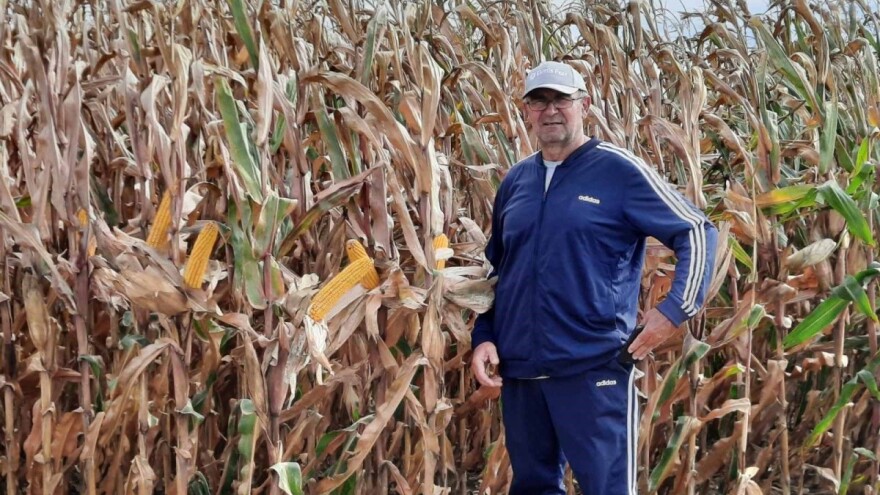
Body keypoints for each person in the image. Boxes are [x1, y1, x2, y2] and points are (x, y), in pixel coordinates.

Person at [470, 60, 718, 495]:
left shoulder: (618, 171)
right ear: (526, 111)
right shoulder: (517, 181)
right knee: (532, 486)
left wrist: (674, 310)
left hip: (593, 368)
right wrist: (484, 336)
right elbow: (497, 270)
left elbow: (696, 230)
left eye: (561, 100)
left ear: (583, 104)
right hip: (522, 373)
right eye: (539, 101)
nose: (550, 111)